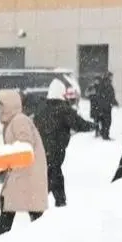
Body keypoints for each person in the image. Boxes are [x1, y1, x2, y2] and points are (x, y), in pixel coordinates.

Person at [0, 90, 48, 239]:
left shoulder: (19, 120)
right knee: (16, 201)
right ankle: (2, 231)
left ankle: (4, 232)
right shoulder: (13, 120)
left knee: (21, 201)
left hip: (28, 169)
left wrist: (7, 154)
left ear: (9, 105)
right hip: (22, 168)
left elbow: (25, 143)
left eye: (1, 105)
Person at [33, 78, 95, 207]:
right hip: (56, 147)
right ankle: (53, 202)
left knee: (50, 172)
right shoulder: (63, 109)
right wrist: (93, 126)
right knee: (54, 174)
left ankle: (50, 200)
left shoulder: (41, 107)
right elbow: (78, 124)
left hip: (41, 147)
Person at [88, 72, 117, 140]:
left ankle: (102, 133)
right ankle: (104, 135)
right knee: (106, 121)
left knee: (103, 121)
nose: (112, 78)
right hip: (104, 106)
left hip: (102, 106)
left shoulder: (104, 83)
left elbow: (109, 95)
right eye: (111, 76)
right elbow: (107, 95)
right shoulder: (106, 83)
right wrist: (110, 102)